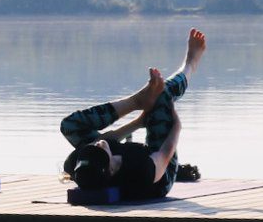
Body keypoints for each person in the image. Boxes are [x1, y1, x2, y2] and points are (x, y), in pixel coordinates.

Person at [60, 28, 206, 200]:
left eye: (91, 148)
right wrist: (177, 128)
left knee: (70, 126)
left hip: (129, 158)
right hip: (161, 171)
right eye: (98, 150)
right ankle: (190, 64)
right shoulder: (141, 171)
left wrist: (138, 122)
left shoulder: (77, 162)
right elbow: (165, 154)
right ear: (112, 169)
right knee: (163, 94)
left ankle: (138, 101)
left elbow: (107, 140)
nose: (97, 145)